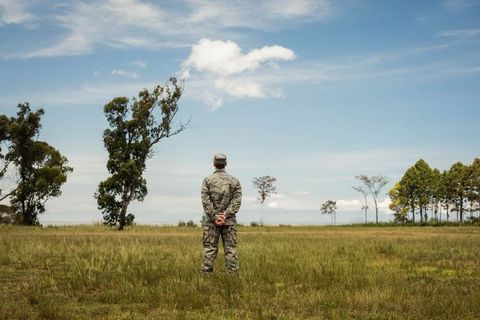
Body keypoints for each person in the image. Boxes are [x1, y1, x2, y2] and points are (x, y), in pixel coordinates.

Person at [201, 153, 242, 273]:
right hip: (229, 222)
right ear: (226, 164)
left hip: (211, 222)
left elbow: (206, 201)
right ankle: (233, 277)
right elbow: (236, 202)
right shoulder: (235, 181)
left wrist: (215, 216)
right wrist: (225, 215)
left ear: (214, 164)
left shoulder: (207, 180)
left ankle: (206, 276)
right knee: (231, 249)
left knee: (210, 249)